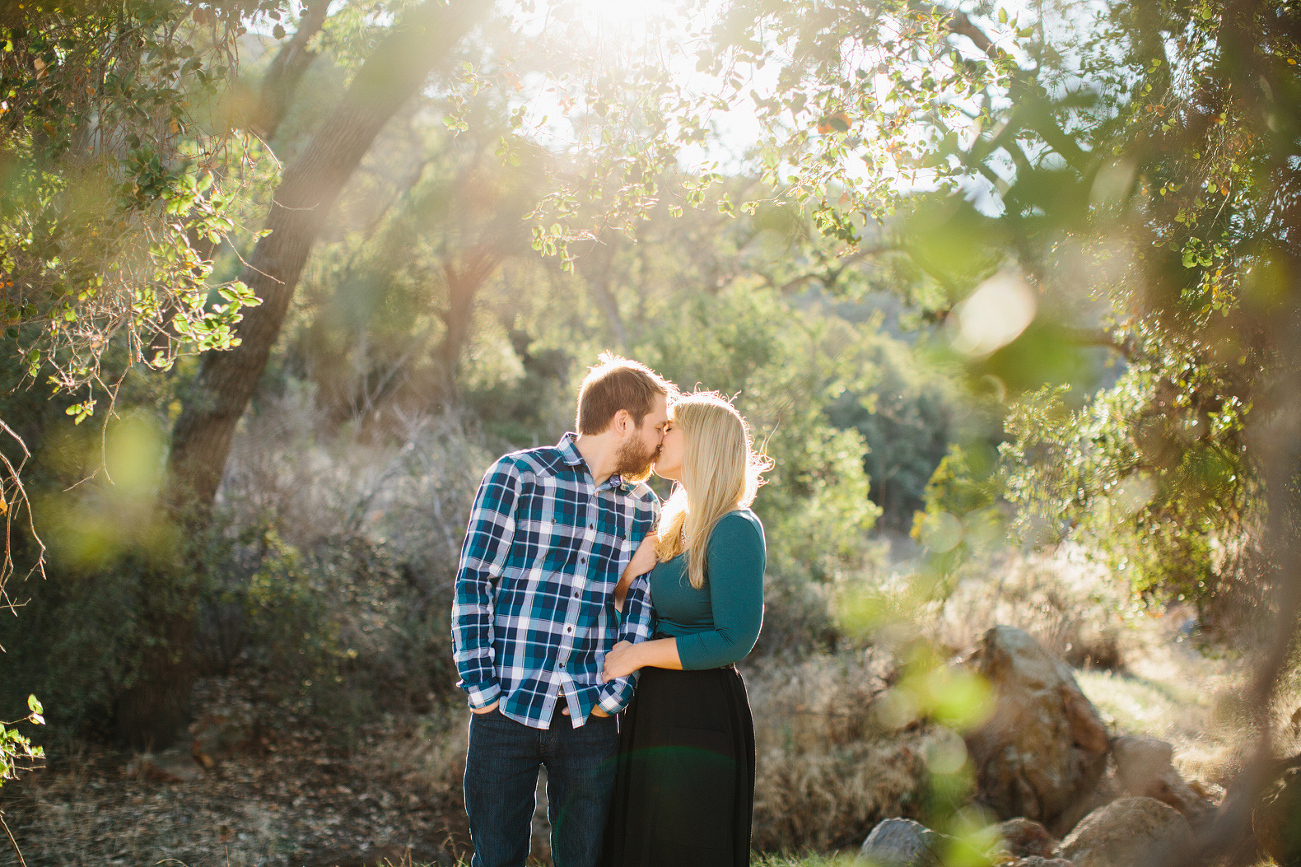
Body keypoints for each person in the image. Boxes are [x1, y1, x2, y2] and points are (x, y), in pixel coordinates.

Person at [451, 353, 673, 867]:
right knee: (496, 859)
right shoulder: (517, 475)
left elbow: (638, 603)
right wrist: (483, 691)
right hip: (505, 708)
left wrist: (613, 697)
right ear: (623, 423)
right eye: (658, 426)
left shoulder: (642, 505)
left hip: (588, 718)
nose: (662, 439)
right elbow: (473, 582)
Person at [598, 391, 770, 867]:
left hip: (701, 712)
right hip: (654, 704)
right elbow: (628, 608)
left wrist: (638, 656)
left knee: (685, 847)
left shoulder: (734, 527)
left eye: (671, 428)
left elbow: (735, 638)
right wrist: (630, 574)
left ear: (705, 443)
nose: (660, 435)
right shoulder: (675, 525)